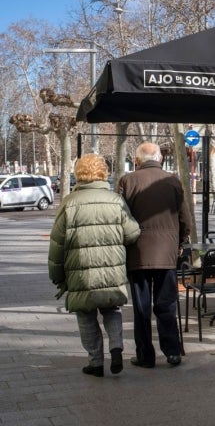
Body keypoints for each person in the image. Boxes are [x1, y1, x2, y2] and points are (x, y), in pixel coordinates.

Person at [48, 154, 141, 377]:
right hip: (111, 266)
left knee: (85, 314)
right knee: (112, 309)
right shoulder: (115, 200)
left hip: (80, 270)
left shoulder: (69, 203)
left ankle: (95, 362)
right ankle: (116, 347)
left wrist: (57, 276)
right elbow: (132, 232)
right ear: (103, 173)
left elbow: (57, 245)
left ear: (78, 174)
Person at [117, 142, 193, 368]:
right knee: (166, 304)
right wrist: (179, 242)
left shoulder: (127, 181)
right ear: (159, 159)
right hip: (167, 253)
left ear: (137, 160)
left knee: (141, 308)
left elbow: (119, 217)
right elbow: (185, 220)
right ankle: (172, 352)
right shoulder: (172, 181)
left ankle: (145, 355)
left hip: (137, 252)